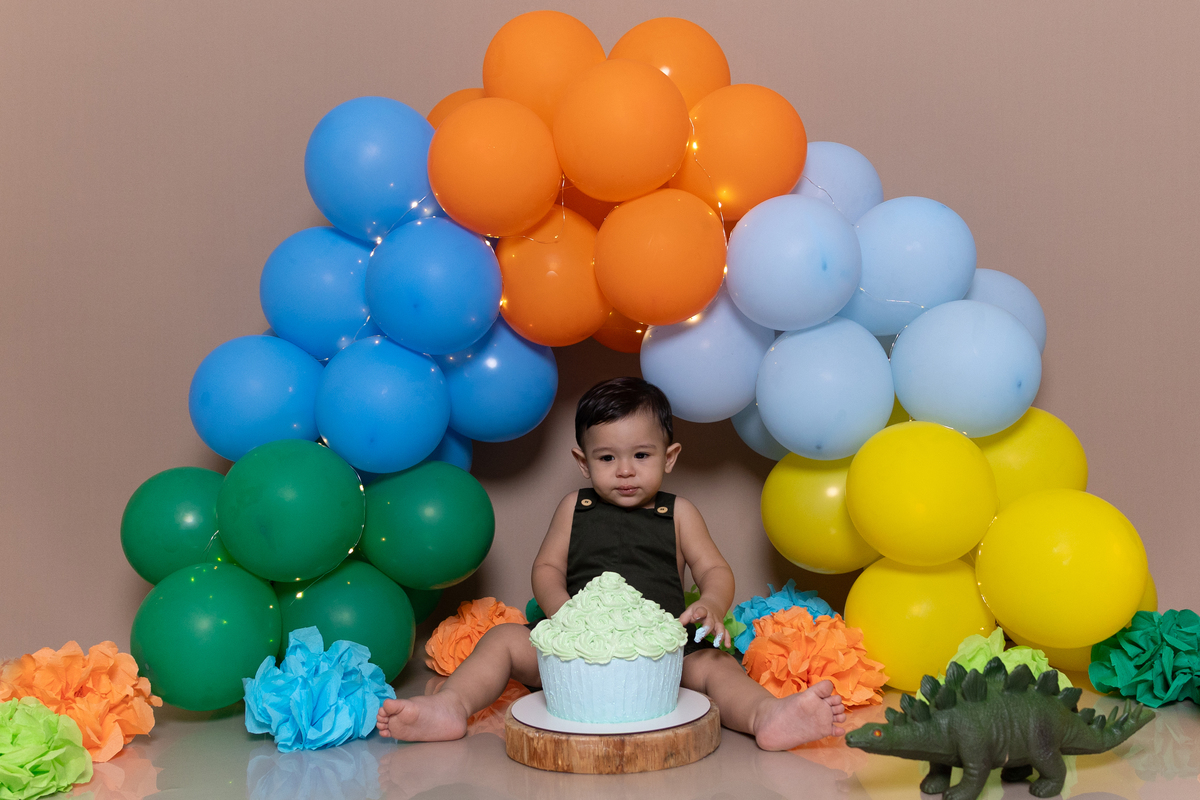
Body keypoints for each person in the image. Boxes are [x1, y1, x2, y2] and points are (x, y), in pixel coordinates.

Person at [376, 377, 846, 750]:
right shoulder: (573, 508)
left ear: (669, 457)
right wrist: (564, 615)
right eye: (607, 457)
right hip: (577, 652)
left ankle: (767, 717)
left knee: (717, 667)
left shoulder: (679, 513)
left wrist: (712, 604)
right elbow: (546, 569)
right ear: (583, 462)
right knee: (502, 639)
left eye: (641, 455)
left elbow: (714, 570)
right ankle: (451, 708)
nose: (624, 470)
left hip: (662, 656)